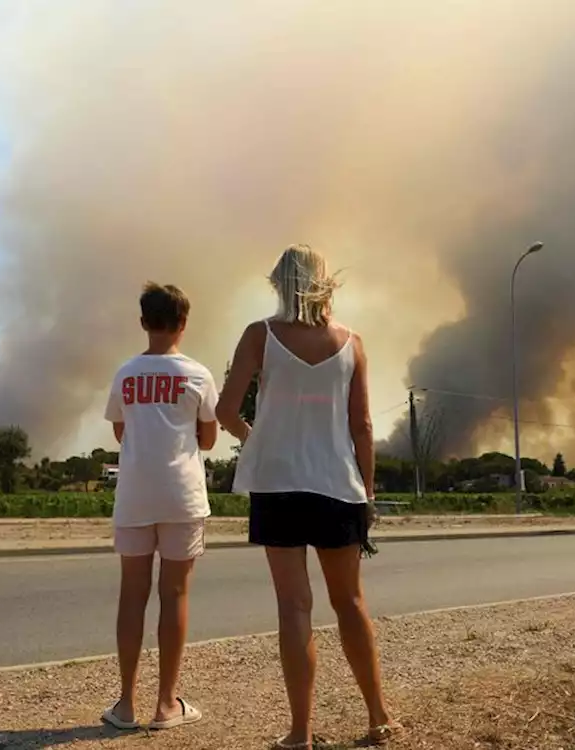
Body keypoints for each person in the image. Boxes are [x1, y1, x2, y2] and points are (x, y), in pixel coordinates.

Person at [217, 245, 403, 749]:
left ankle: (300, 732)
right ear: (325, 283)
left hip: (278, 484)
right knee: (350, 602)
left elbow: (225, 410)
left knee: (294, 608)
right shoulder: (352, 343)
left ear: (280, 282)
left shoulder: (261, 335)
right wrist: (368, 493)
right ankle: (378, 717)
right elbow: (362, 426)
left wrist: (258, 437)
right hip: (337, 485)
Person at [100, 282, 218, 733]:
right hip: (182, 495)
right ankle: (166, 703)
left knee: (133, 594)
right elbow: (207, 438)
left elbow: (119, 431)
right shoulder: (198, 374)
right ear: (183, 323)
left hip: (134, 493)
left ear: (143, 322)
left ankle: (126, 704)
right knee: (175, 595)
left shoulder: (126, 374)